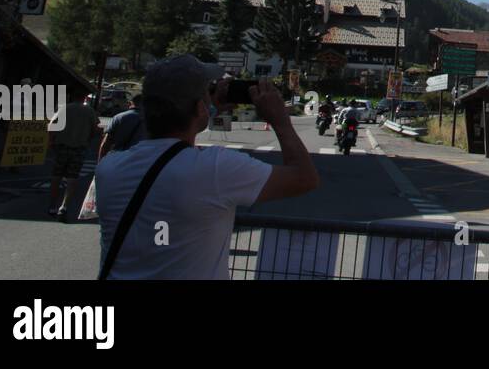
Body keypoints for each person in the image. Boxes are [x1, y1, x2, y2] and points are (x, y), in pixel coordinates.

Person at [94, 55, 320, 279]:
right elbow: (304, 178)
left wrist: (208, 110)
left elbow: (171, 151)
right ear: (198, 107)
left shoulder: (109, 168)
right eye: (207, 92)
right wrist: (280, 119)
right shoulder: (216, 168)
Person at [47, 93, 101, 222]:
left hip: (62, 146)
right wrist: (88, 137)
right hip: (79, 148)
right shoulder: (89, 111)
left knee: (56, 176)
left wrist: (51, 142)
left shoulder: (64, 108)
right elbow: (96, 129)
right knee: (72, 177)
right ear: (84, 98)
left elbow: (51, 125)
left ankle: (52, 205)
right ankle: (64, 206)